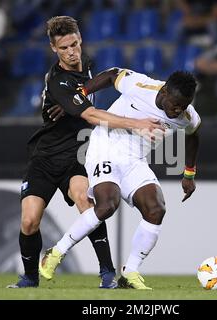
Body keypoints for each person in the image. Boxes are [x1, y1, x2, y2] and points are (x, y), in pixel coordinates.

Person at [7, 16, 162, 289]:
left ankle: (107, 274)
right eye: (64, 48)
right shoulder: (58, 80)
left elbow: (93, 94)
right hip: (45, 156)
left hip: (78, 154)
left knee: (86, 202)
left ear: (80, 39)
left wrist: (70, 106)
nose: (72, 52)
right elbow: (91, 114)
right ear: (54, 49)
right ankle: (30, 277)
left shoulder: (88, 66)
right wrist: (136, 123)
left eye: (75, 44)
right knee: (30, 220)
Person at [39, 68, 201, 290]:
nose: (178, 110)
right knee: (107, 205)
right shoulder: (141, 86)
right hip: (104, 147)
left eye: (183, 106)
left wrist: (189, 173)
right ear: (164, 91)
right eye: (175, 104)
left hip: (134, 160)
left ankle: (130, 273)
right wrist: (82, 93)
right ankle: (56, 252)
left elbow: (193, 136)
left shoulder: (187, 116)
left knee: (156, 209)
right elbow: (112, 74)